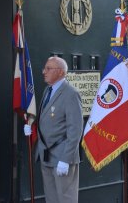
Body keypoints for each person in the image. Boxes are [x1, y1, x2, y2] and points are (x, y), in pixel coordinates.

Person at [24, 56, 83, 203]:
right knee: (51, 198)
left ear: (61, 72)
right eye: (45, 68)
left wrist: (66, 159)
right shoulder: (48, 91)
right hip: (46, 153)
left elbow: (75, 131)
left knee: (65, 198)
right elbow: (47, 119)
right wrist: (32, 127)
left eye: (49, 68)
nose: (44, 71)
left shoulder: (70, 94)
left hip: (62, 156)